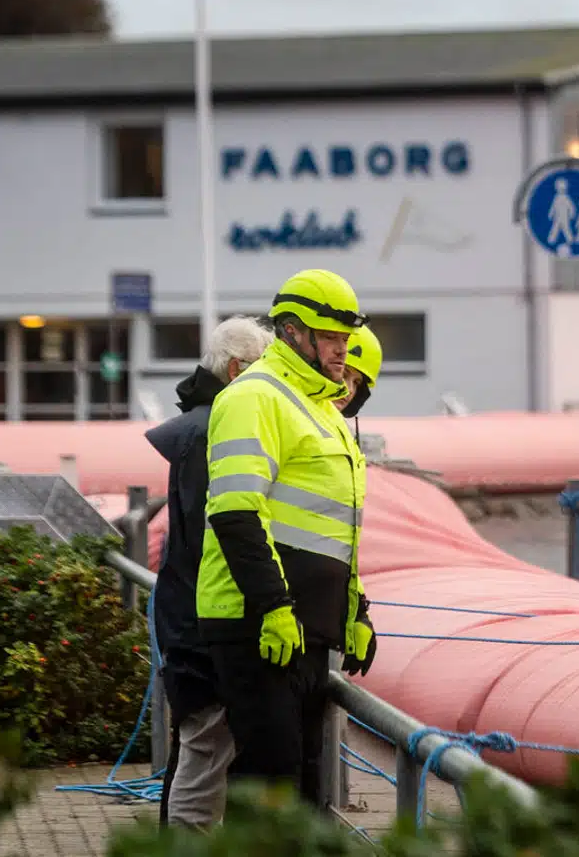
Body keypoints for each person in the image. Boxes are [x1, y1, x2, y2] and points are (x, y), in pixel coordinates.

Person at [198, 269, 376, 810]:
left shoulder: (325, 409)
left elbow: (335, 527)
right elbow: (234, 510)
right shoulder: (255, 397)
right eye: (331, 338)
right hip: (258, 626)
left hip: (305, 630)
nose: (342, 352)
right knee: (270, 789)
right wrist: (273, 607)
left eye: (347, 340)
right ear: (293, 332)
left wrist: (355, 608)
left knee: (303, 790)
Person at [144, 315, 272, 829]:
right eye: (265, 371)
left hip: (188, 615)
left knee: (194, 754)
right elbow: (215, 534)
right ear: (238, 370)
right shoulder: (213, 432)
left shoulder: (198, 424)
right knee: (202, 760)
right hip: (204, 623)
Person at [332, 324, 383, 679]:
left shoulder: (339, 439)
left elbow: (336, 539)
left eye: (356, 383)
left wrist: (357, 609)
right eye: (344, 376)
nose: (347, 391)